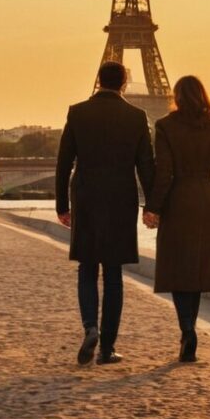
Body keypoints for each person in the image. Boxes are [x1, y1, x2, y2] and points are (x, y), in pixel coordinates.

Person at [56, 61, 154, 366]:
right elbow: (146, 167)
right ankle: (107, 347)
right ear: (124, 84)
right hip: (120, 201)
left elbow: (63, 163)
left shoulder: (77, 112)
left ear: (98, 80)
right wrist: (152, 206)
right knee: (113, 275)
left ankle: (91, 327)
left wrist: (62, 205)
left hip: (85, 198)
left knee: (87, 269)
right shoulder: (137, 118)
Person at [143, 75, 210, 363]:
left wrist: (153, 208)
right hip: (209, 202)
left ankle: (186, 329)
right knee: (197, 272)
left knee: (177, 269)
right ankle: (191, 327)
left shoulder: (166, 127)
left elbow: (164, 173)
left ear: (177, 97)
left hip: (179, 201)